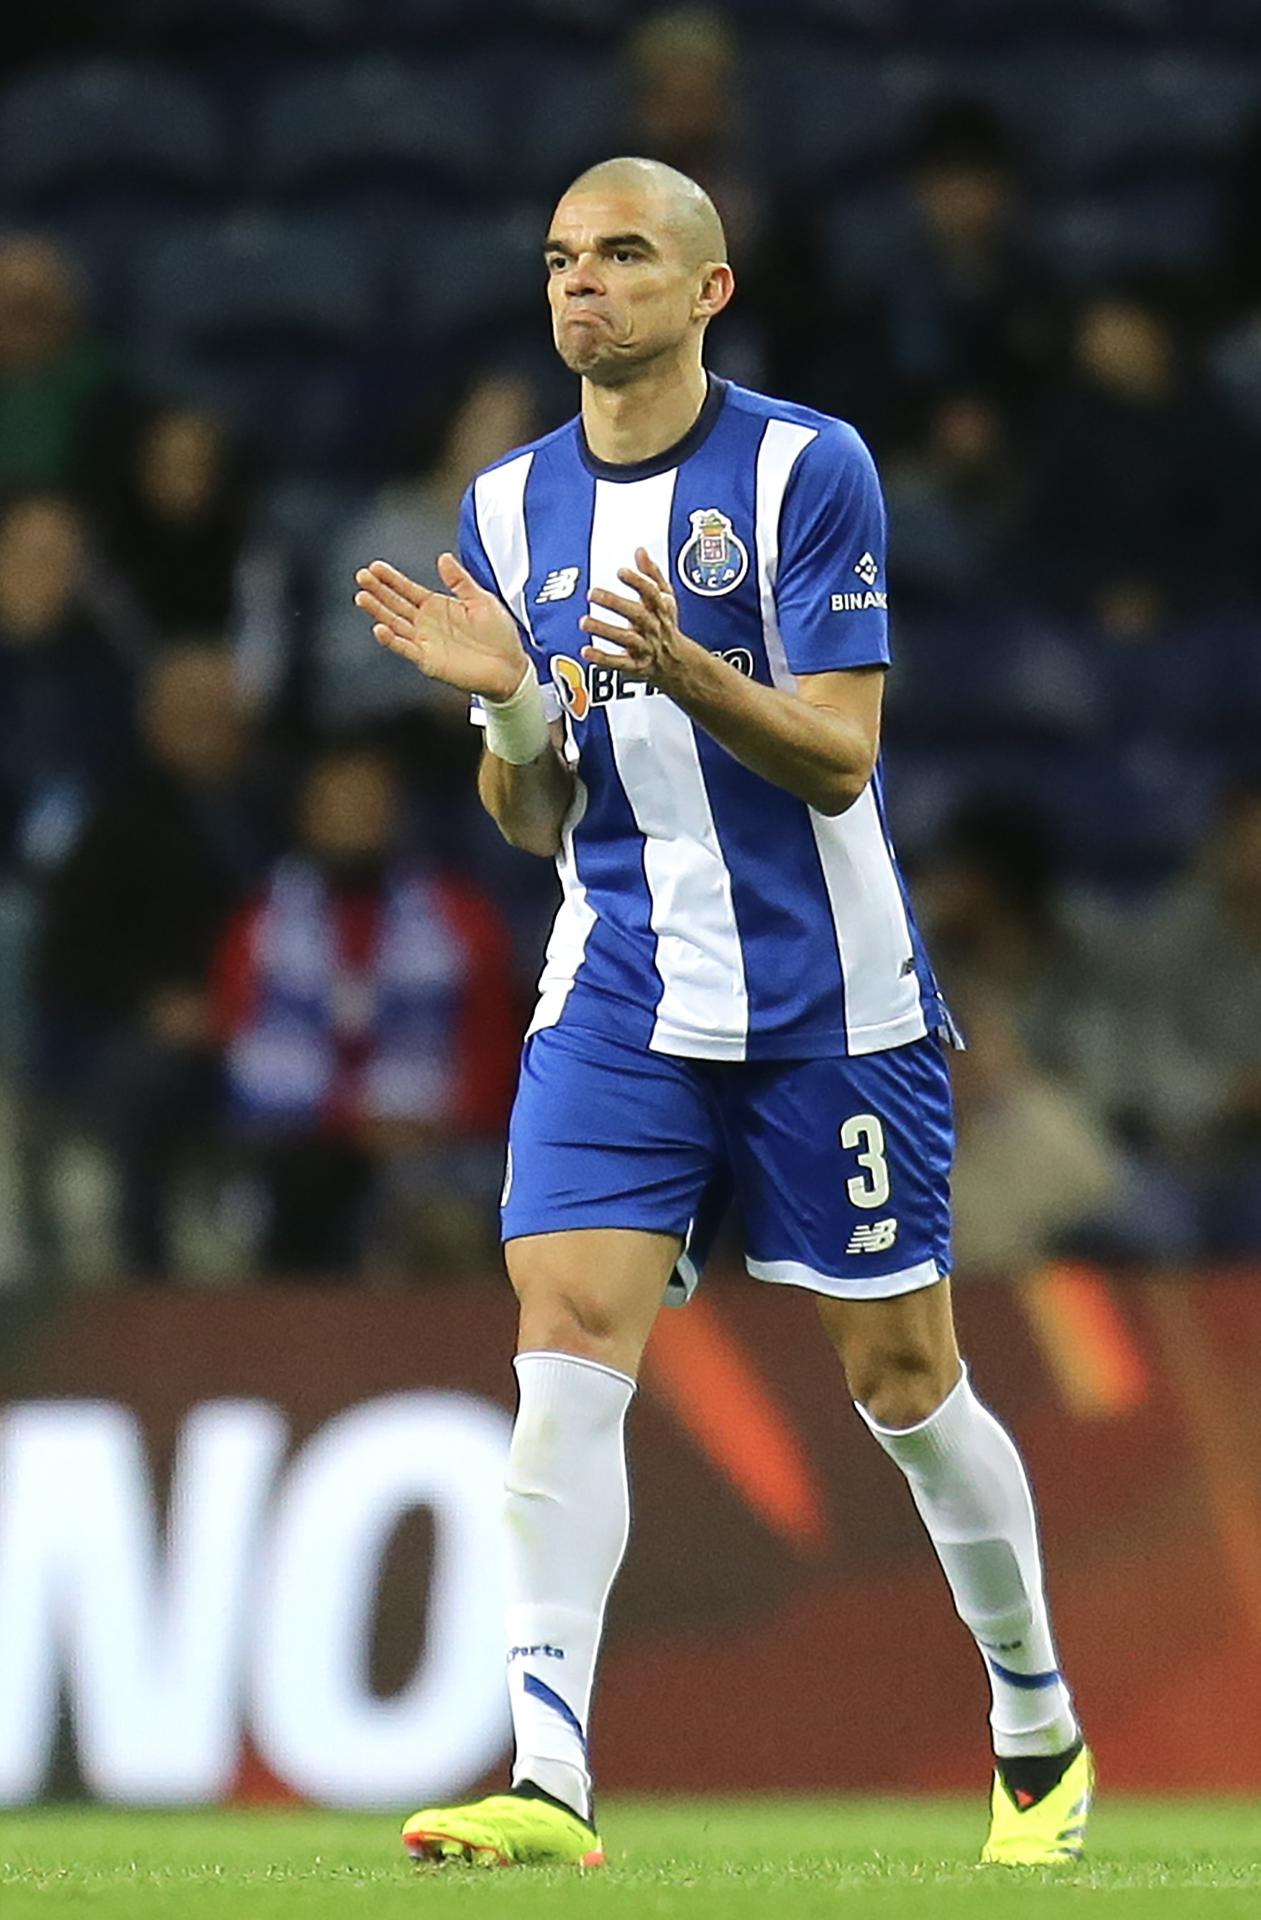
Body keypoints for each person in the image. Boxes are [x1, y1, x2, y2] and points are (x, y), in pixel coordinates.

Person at [354, 155, 1092, 1870]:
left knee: (903, 1380)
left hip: (827, 993)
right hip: (618, 983)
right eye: (557, 260)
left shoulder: (802, 467)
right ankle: (548, 1777)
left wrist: (689, 669)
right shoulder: (509, 507)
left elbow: (844, 754)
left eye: (620, 255)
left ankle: (1036, 1731)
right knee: (565, 1341)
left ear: (708, 290)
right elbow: (533, 820)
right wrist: (521, 716)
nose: (580, 286)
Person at [213, 741, 519, 1276]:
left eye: (369, 807)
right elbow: (241, 1046)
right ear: (308, 817)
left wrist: (440, 1126)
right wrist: (349, 1125)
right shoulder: (260, 926)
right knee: (305, 1185)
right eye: (338, 808)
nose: (355, 824)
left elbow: (496, 1046)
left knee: (439, 1208)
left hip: (441, 1141)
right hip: (297, 1145)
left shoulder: (460, 920)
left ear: (398, 815)